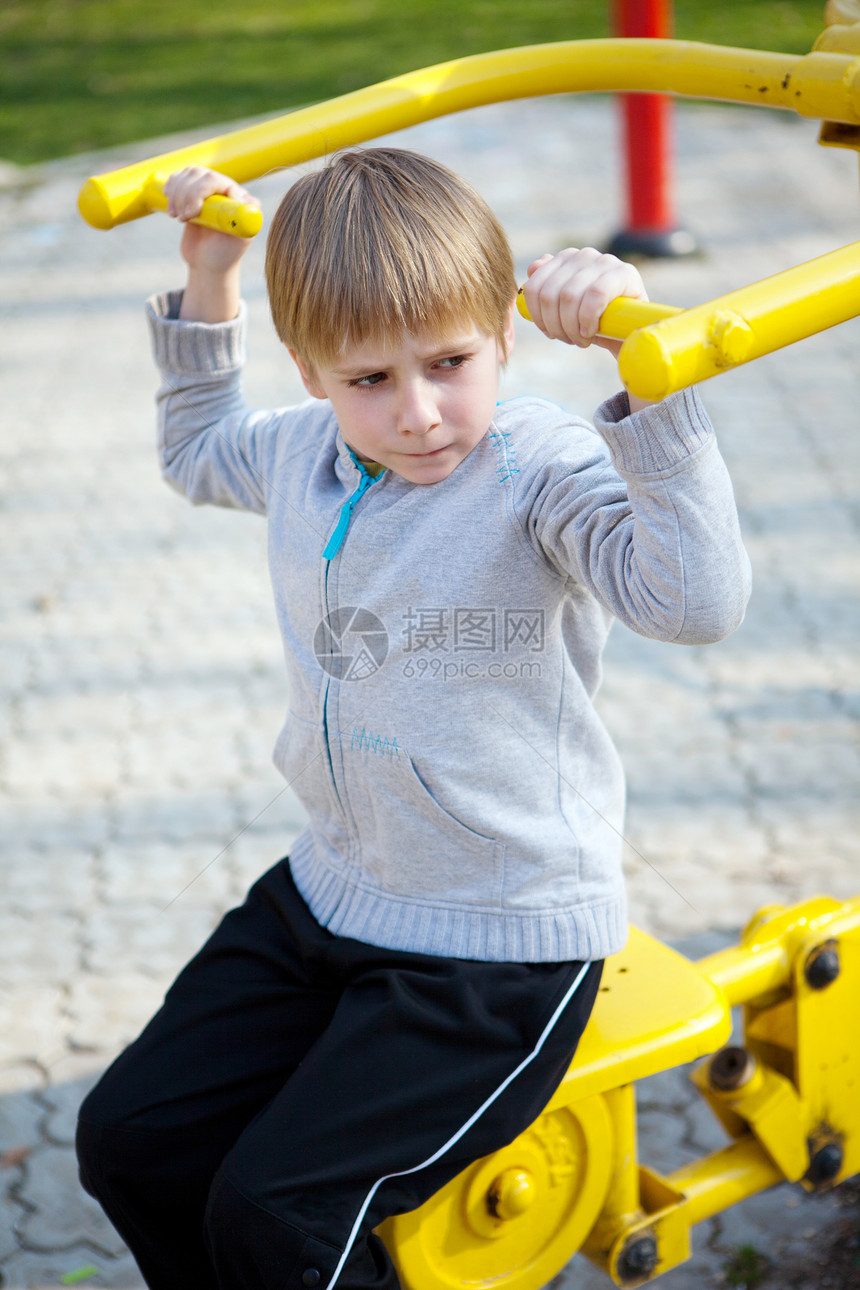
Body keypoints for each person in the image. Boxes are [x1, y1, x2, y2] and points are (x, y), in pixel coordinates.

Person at [76, 148, 751, 1290]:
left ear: (501, 331)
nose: (421, 415)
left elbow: (689, 603)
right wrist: (208, 273)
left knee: (279, 1217)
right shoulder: (302, 453)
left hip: (495, 943)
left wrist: (653, 392)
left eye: (449, 363)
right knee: (131, 1140)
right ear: (310, 372)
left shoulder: (530, 467)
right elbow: (195, 450)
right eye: (369, 381)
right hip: (332, 893)